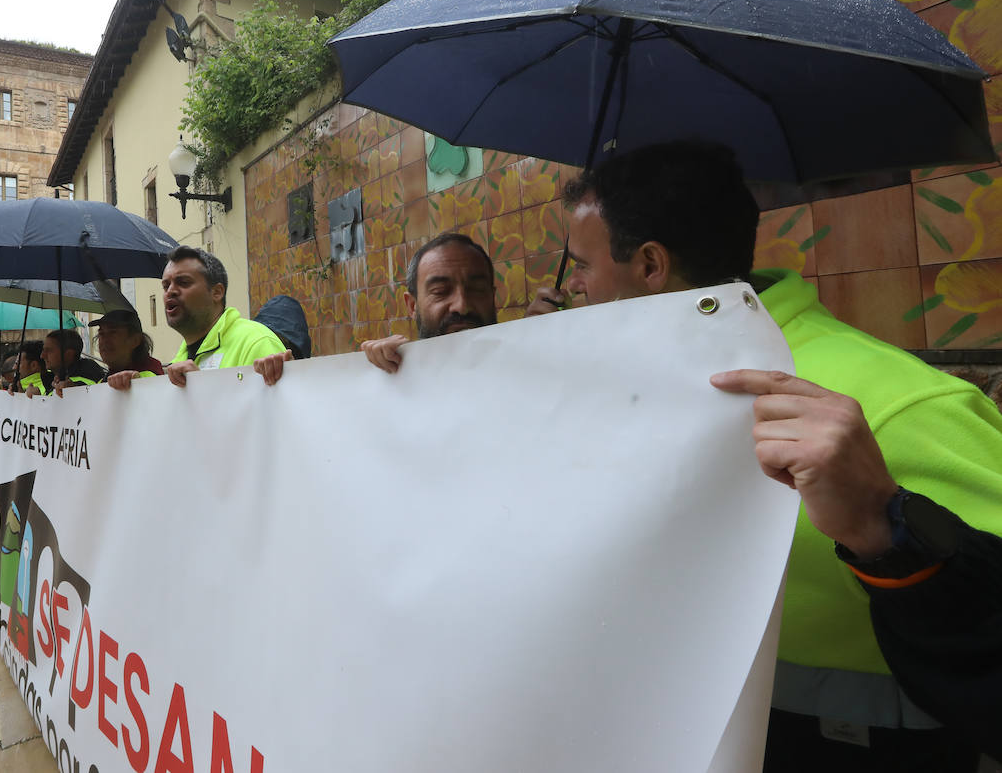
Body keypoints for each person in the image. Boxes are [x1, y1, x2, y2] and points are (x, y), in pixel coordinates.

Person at [529, 141, 1002, 768]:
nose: (573, 288)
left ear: (649, 265)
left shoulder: (904, 406)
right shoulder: (616, 388)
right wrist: (407, 388)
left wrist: (887, 524)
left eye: (580, 266)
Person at [108, 246, 285, 389]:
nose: (170, 291)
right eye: (165, 285)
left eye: (183, 282)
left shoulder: (256, 342)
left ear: (216, 292)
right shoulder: (180, 358)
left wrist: (201, 388)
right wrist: (138, 394)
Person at [360, 232, 497, 374]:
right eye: (440, 291)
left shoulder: (519, 368)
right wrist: (388, 365)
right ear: (413, 306)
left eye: (477, 289)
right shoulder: (400, 379)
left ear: (492, 297)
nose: (462, 306)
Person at [90, 308, 166, 377]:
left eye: (113, 332)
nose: (104, 340)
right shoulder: (103, 382)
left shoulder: (150, 379)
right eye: (101, 333)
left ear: (135, 340)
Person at [37, 328, 106, 396]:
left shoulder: (88, 376)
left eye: (49, 350)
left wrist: (75, 390)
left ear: (69, 354)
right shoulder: (54, 379)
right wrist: (37, 397)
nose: (42, 356)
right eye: (43, 350)